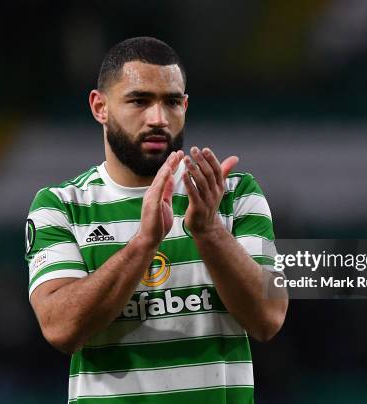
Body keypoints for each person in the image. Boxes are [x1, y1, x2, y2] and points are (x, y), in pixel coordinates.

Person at [25, 36, 288, 403]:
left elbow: (269, 317)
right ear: (100, 107)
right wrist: (142, 244)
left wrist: (209, 231)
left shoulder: (234, 194)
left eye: (172, 102)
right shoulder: (62, 205)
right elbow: (60, 328)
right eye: (139, 100)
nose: (158, 119)